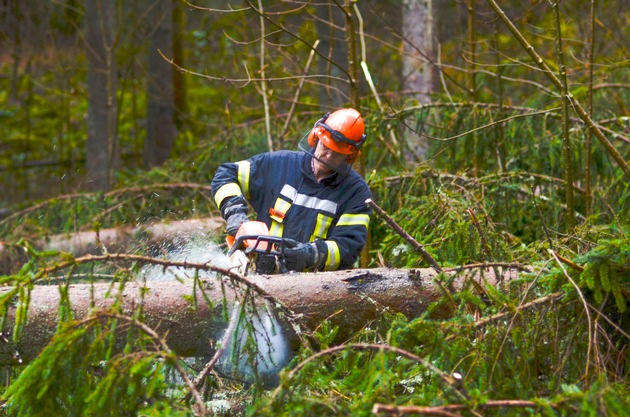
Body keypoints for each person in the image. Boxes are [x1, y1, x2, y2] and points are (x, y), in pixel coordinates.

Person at [211, 108, 372, 272]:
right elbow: (226, 174)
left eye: (337, 153)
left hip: (311, 287)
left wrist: (309, 255)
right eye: (326, 147)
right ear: (315, 137)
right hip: (256, 270)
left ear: (349, 157)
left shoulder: (355, 192)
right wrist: (236, 216)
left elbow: (347, 247)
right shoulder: (280, 165)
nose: (329, 156)